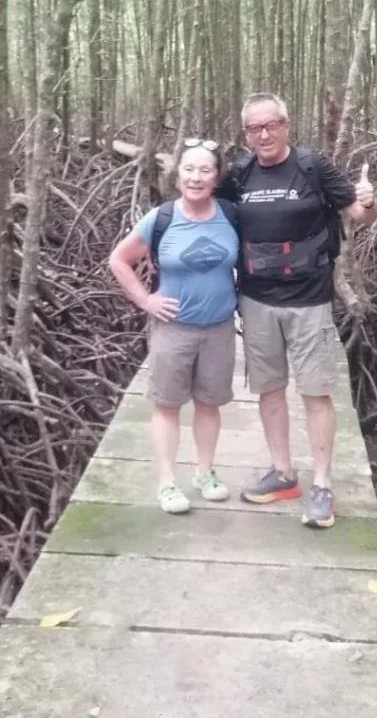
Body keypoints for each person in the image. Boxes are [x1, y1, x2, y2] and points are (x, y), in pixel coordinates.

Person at [218, 94, 377, 528]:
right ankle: (283, 474)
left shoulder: (313, 166)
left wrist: (368, 199)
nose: (263, 134)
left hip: (309, 300)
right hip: (255, 301)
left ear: (286, 125)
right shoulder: (240, 173)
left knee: (316, 393)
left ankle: (322, 485)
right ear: (246, 134)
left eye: (271, 125)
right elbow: (200, 204)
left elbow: (360, 216)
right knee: (269, 389)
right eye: (254, 128)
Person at [108, 140, 239, 515]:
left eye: (205, 170)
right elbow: (119, 260)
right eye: (189, 169)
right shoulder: (161, 219)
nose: (196, 177)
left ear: (216, 177)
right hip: (173, 328)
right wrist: (145, 300)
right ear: (177, 173)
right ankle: (167, 482)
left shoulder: (230, 215)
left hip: (219, 327)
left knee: (209, 404)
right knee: (167, 406)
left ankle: (205, 473)